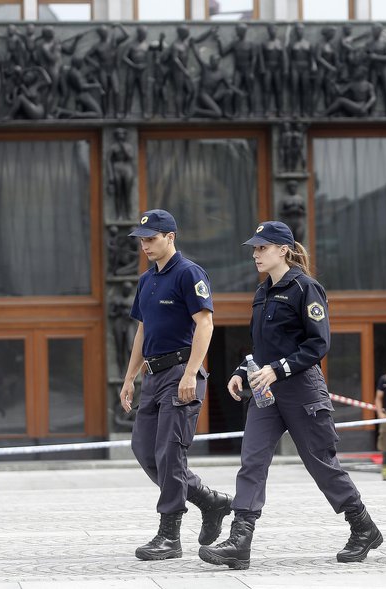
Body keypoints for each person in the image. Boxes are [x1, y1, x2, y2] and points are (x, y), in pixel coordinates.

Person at [199, 221, 382, 570]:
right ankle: (240, 540)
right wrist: (243, 370)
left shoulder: (305, 288)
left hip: (302, 390)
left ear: (283, 249)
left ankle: (362, 526)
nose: (255, 254)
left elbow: (318, 343)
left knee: (321, 465)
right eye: (254, 248)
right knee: (252, 460)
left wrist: (279, 369)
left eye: (262, 248)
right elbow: (263, 346)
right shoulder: (262, 291)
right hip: (267, 393)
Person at [118, 209, 232, 561]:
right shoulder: (146, 279)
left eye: (151, 238)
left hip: (181, 373)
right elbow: (142, 330)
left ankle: (169, 535)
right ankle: (210, 501)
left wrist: (190, 374)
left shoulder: (189, 273)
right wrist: (129, 377)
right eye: (142, 239)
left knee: (170, 453)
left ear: (171, 237)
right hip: (153, 376)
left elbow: (205, 324)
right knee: (144, 450)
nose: (145, 245)